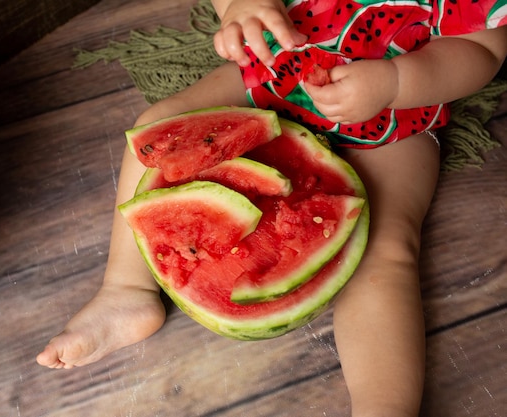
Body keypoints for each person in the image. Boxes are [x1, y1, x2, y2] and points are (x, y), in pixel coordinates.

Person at [37, 0, 506, 415]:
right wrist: (238, 9)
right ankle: (125, 289)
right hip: (271, 81)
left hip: (392, 123)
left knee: (386, 253)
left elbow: (482, 50)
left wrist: (396, 80)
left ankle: (383, 405)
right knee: (159, 126)